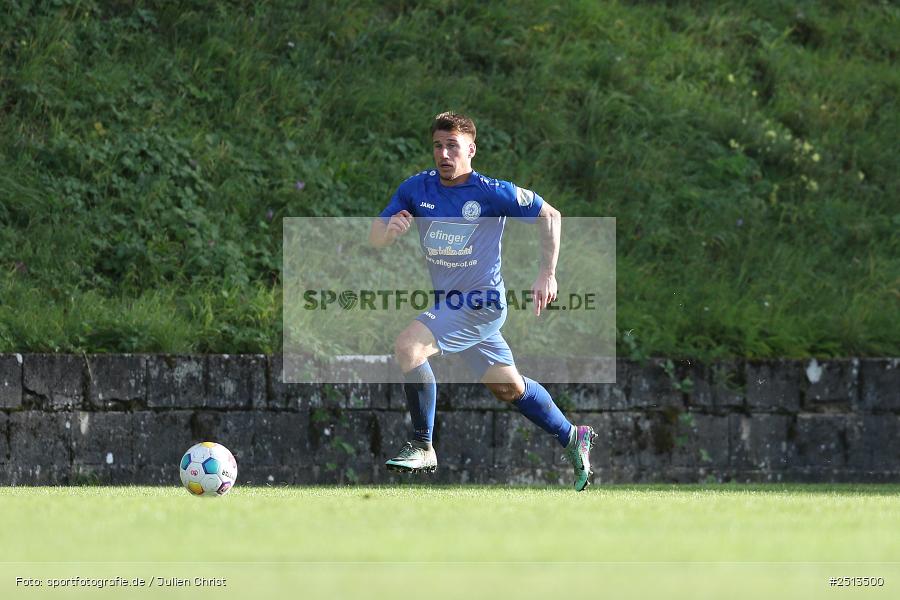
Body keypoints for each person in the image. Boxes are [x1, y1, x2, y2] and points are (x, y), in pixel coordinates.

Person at [369, 112, 596, 491]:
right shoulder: (416, 189)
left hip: (481, 304)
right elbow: (375, 235)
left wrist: (547, 274)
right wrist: (388, 233)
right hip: (451, 306)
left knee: (409, 346)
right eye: (438, 146)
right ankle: (573, 436)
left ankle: (423, 445)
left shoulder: (491, 192)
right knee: (508, 387)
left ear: (470, 150)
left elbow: (550, 215)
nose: (444, 154)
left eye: (452, 146)